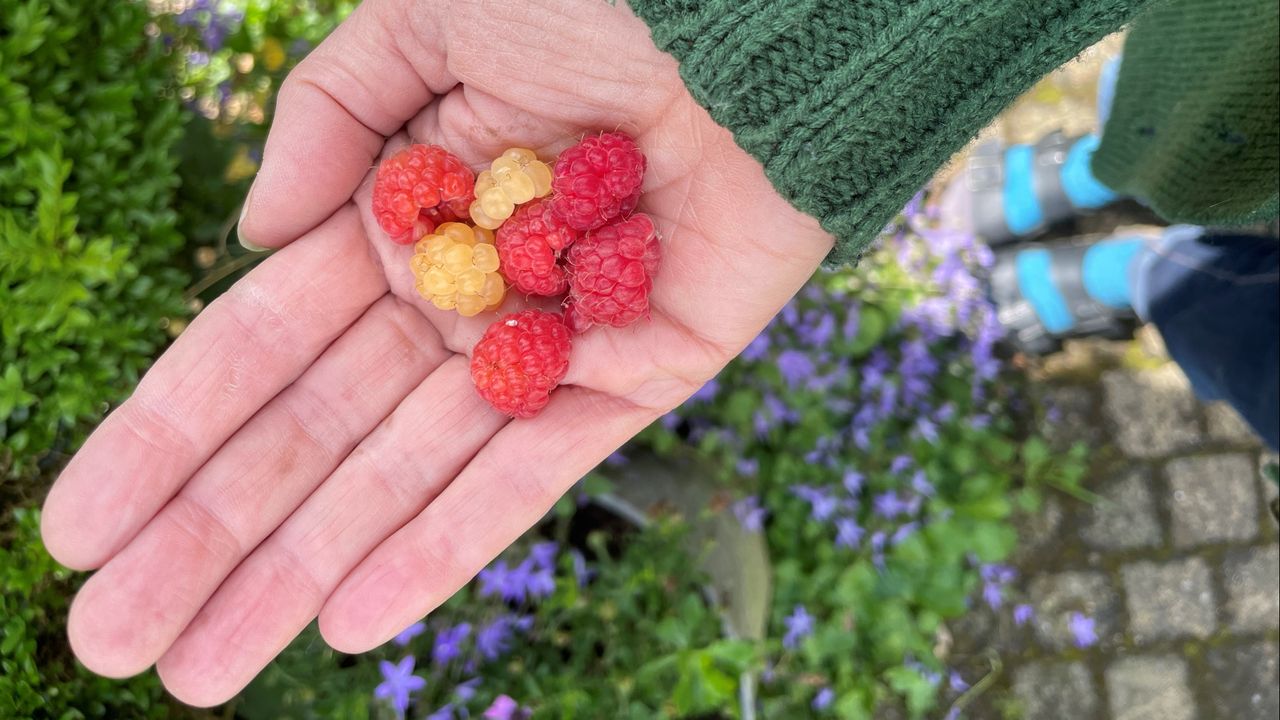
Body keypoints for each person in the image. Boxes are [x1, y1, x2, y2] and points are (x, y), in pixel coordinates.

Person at [39, 0, 1277, 708]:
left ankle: (1139, 262)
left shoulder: (558, 239)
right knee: (1171, 138)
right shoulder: (524, 229)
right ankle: (1131, 215)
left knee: (1229, 278)